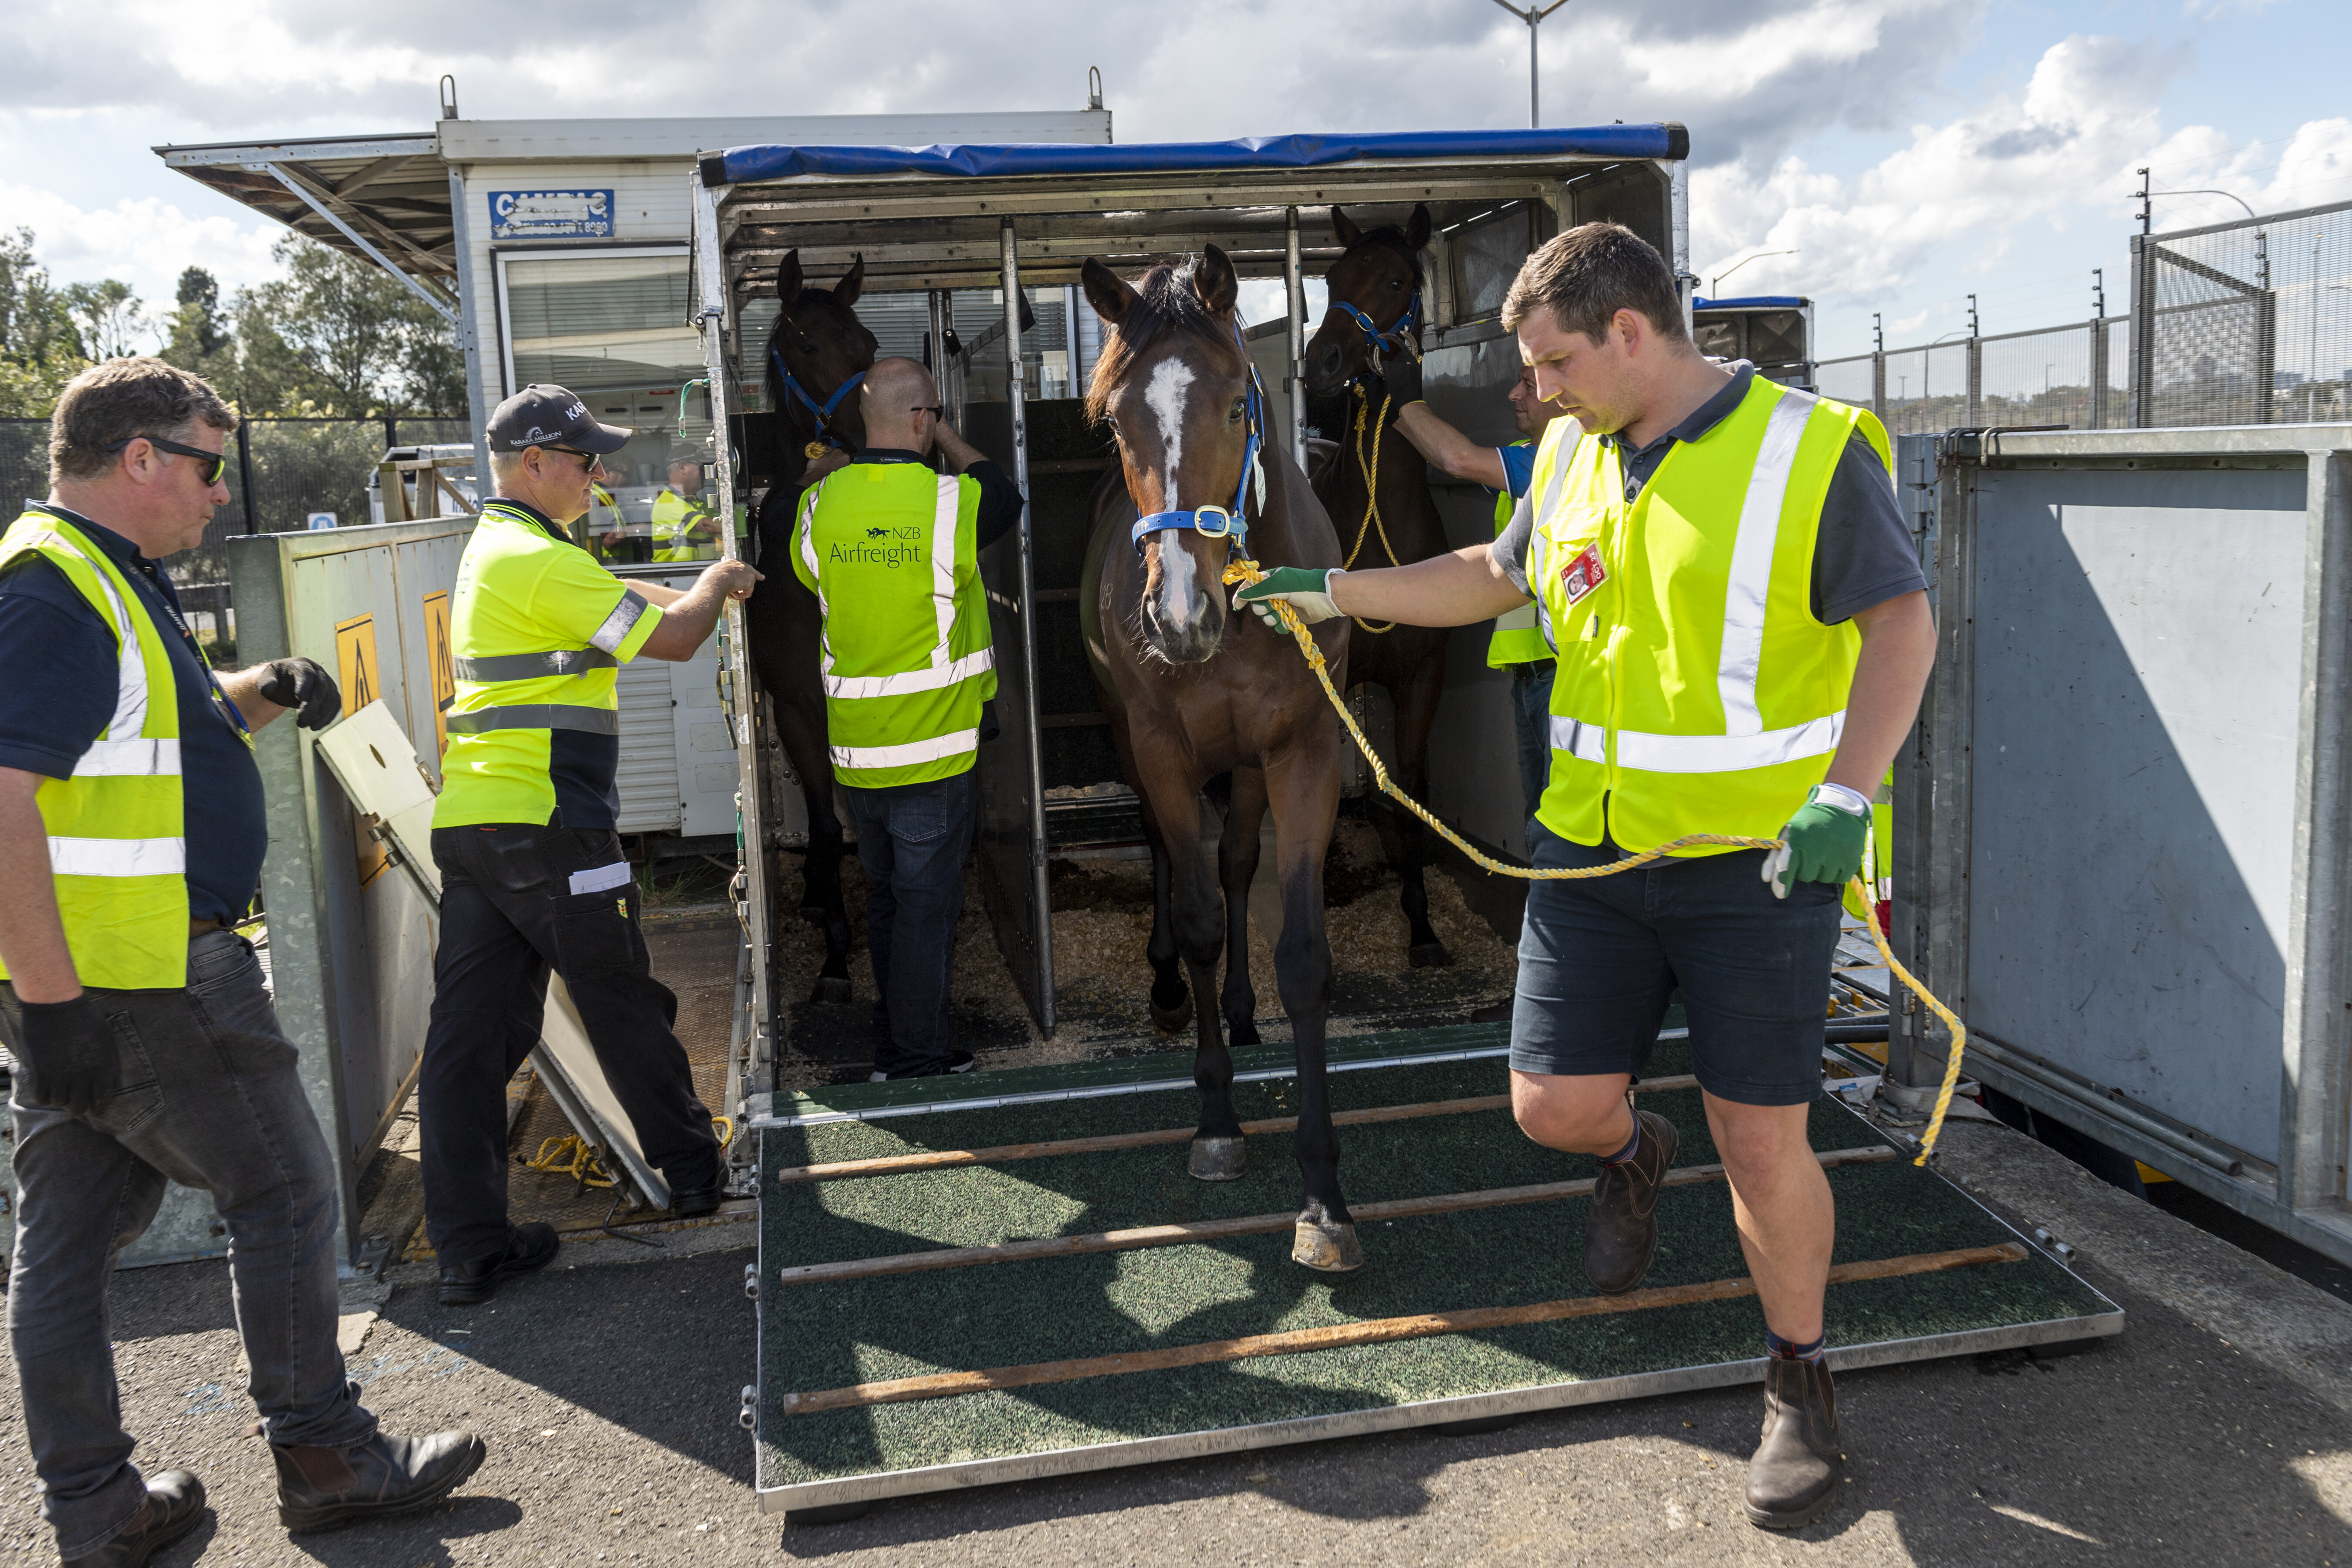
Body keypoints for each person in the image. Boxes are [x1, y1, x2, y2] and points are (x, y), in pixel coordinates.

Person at [1234, 224, 1936, 1532]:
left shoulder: (1811, 449)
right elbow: (1491, 580)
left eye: (1554, 362)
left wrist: (1847, 794)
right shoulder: (1568, 452)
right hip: (1591, 853)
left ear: (1631, 330)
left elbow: (1902, 622)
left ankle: (1797, 1381)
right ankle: (1629, 1155)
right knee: (1552, 1108)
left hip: (1757, 866)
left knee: (1760, 1139)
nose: (1536, 392)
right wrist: (1331, 592)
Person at [0, 358, 483, 1565]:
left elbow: (145, 724)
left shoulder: (104, 575)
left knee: (62, 1244)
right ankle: (328, 1458)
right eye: (208, 465)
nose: (222, 492)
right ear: (140, 459)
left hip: (99, 982)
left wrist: (261, 689)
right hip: (145, 976)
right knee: (281, 1194)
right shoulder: (52, 590)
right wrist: (52, 1000)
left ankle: (98, 1510)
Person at [419, 384, 760, 1306]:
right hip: (554, 826)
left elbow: (618, 597)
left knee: (469, 1041)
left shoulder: (509, 550)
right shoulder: (536, 560)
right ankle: (696, 1174)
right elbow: (680, 638)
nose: (599, 476)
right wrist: (717, 586)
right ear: (535, 463)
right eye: (584, 460)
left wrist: (694, 581)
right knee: (620, 997)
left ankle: (469, 1246)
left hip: (479, 827)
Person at [791, 358, 1024, 1080]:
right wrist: (947, 433)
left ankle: (898, 1039)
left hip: (858, 757)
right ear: (924, 419)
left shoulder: (818, 508)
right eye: (929, 416)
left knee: (891, 902)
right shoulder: (954, 502)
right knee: (925, 913)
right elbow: (1002, 490)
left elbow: (808, 573)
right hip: (935, 751)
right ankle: (915, 1057)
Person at [1377, 355, 1569, 822]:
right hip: (1533, 676)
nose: (1513, 395)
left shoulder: (1548, 462)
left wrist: (1407, 399)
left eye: (1527, 384)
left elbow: (1456, 459)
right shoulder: (1536, 454)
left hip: (1559, 676)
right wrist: (1393, 410)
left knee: (1554, 820)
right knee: (1540, 817)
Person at [650, 444, 720, 562]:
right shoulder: (667, 502)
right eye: (702, 468)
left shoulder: (697, 503)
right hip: (675, 576)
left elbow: (719, 522)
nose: (705, 475)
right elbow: (708, 526)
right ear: (682, 468)